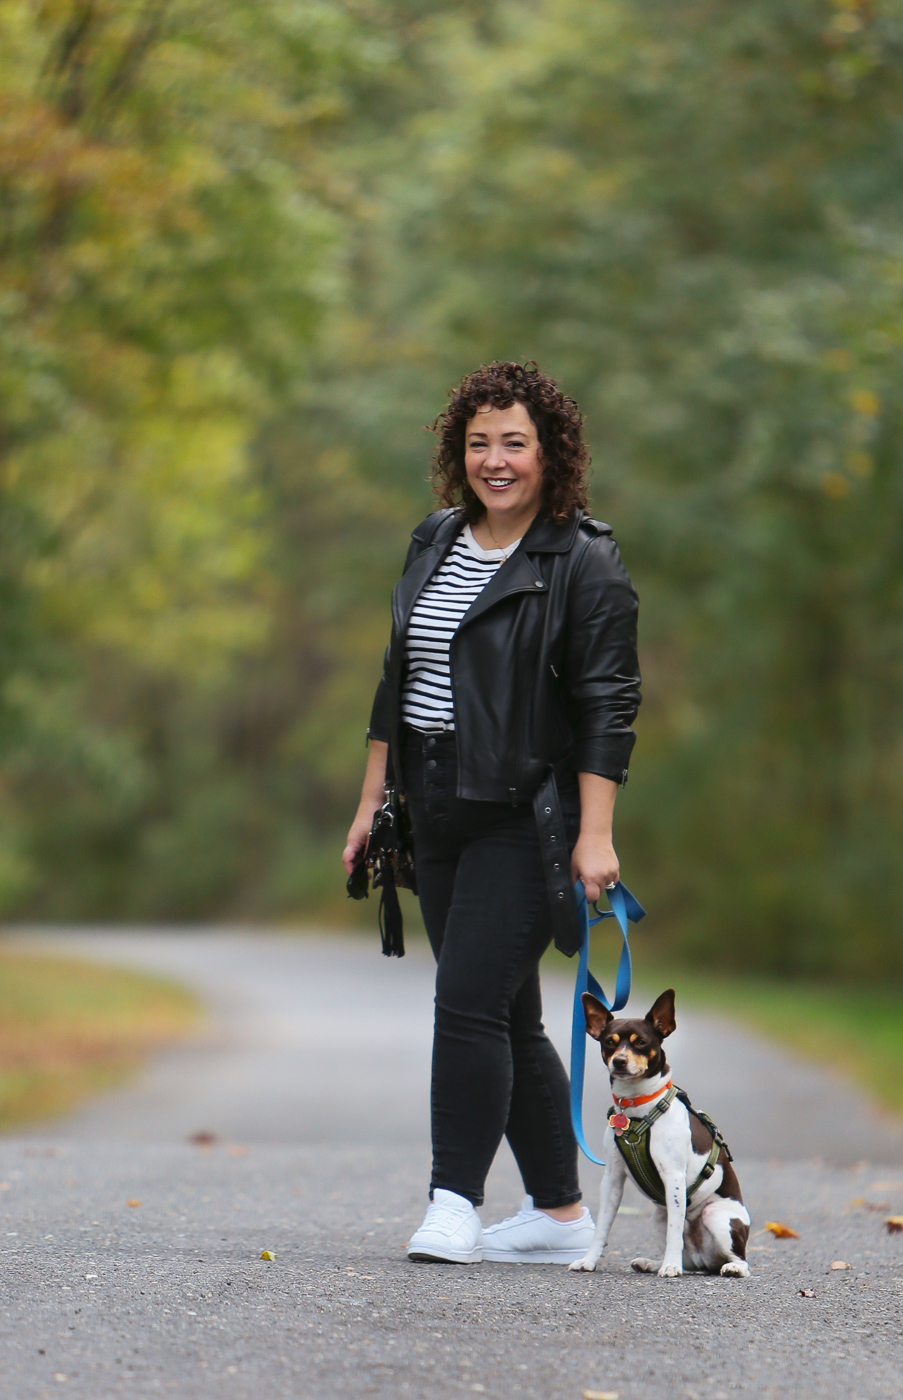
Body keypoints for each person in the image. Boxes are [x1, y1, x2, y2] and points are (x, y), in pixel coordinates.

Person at [342, 361, 641, 1264]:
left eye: (515, 442)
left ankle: (453, 1201)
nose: (495, 460)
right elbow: (397, 680)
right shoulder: (433, 538)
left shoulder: (582, 559)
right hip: (432, 806)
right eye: (479, 443)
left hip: (525, 812)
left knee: (465, 997)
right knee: (508, 1013)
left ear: (550, 454)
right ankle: (558, 1217)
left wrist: (597, 834)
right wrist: (370, 804)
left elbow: (608, 703)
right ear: (457, 451)